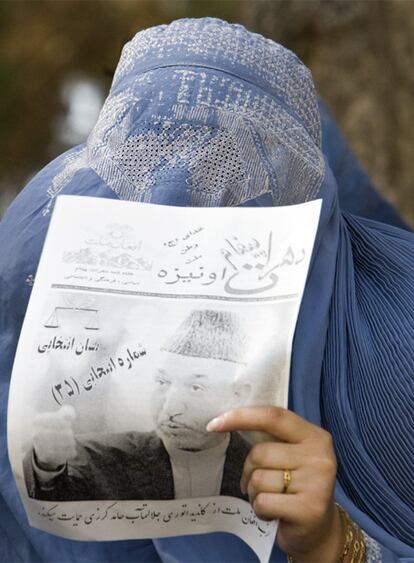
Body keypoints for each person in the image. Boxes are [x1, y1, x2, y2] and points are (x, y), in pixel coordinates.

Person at [0, 16, 413, 563]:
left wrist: (336, 545)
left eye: (232, 185)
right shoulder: (27, 303)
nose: (176, 205)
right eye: (144, 172)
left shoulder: (392, 361)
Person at [23, 309, 251, 501]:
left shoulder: (264, 468)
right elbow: (55, 502)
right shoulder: (101, 459)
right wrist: (48, 465)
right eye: (163, 382)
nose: (170, 410)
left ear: (237, 395)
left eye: (195, 388)